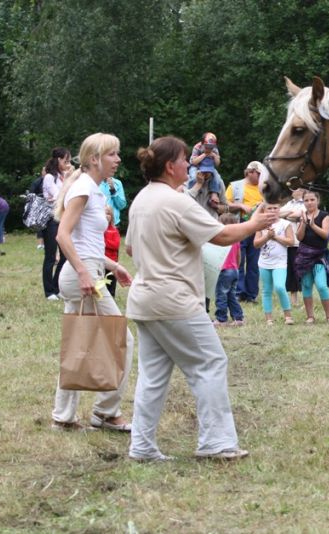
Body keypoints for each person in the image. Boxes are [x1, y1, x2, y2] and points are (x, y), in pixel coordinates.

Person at [126, 136, 277, 462]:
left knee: (152, 376)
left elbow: (129, 248)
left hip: (143, 299)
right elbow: (221, 235)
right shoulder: (175, 201)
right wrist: (255, 224)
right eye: (185, 160)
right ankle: (217, 443)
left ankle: (141, 447)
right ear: (170, 167)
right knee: (210, 363)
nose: (191, 165)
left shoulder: (141, 199)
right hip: (174, 300)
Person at [51, 133, 134, 432]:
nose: (118, 159)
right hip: (81, 277)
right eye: (113, 154)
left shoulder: (95, 189)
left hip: (87, 272)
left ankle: (63, 417)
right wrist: (85, 272)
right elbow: (63, 234)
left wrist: (113, 265)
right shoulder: (85, 188)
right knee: (122, 341)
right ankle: (106, 413)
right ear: (95, 158)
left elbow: (87, 243)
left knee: (78, 344)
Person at [226, 161, 265, 302]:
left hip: (257, 227)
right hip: (240, 224)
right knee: (239, 260)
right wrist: (241, 206)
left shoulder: (263, 188)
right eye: (259, 174)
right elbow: (225, 204)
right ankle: (238, 292)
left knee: (254, 263)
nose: (261, 177)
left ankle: (251, 294)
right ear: (250, 172)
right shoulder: (235, 186)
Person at [295, 190, 329, 324]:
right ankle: (310, 316)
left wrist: (313, 225)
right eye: (306, 200)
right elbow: (299, 237)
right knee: (306, 285)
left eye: (312, 200)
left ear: (317, 201)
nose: (309, 202)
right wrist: (304, 224)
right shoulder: (302, 216)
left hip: (319, 256)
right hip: (304, 256)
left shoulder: (324, 215)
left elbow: (325, 234)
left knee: (322, 286)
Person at [254, 203, 295, 325]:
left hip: (280, 263)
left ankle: (288, 316)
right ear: (264, 210)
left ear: (279, 209)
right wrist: (267, 236)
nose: (272, 210)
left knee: (280, 287)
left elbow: (291, 242)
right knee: (266, 290)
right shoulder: (260, 225)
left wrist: (275, 237)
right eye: (269, 208)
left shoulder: (285, 224)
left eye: (275, 208)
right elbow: (256, 244)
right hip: (264, 263)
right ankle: (269, 318)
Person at [42, 148, 72, 300]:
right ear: (58, 160)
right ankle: (49, 291)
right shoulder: (49, 177)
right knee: (50, 256)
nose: (68, 164)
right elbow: (58, 196)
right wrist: (67, 180)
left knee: (66, 255)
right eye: (66, 161)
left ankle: (56, 286)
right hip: (51, 218)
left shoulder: (63, 177)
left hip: (63, 218)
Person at [213, 213, 245, 327]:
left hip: (224, 270)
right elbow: (239, 255)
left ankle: (221, 319)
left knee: (221, 294)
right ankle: (238, 318)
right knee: (231, 295)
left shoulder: (221, 239)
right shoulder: (236, 239)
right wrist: (237, 266)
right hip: (234, 270)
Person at [280, 188, 306, 307]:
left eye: (295, 189)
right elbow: (277, 214)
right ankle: (293, 300)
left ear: (302, 190)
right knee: (291, 271)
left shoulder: (306, 202)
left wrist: (286, 216)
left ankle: (305, 297)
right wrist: (290, 215)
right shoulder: (289, 203)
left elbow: (302, 214)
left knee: (301, 271)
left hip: (300, 242)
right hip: (288, 243)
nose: (292, 190)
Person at [188, 132, 222, 208]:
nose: (209, 149)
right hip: (196, 165)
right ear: (202, 143)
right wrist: (204, 154)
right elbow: (194, 161)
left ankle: (214, 193)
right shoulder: (197, 147)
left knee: (216, 177)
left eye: (211, 147)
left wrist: (214, 156)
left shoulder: (214, 149)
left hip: (209, 166)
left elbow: (217, 164)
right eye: (207, 147)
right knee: (194, 177)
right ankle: (191, 192)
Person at [103, 205, 121, 297]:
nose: (106, 216)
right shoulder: (98, 230)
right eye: (104, 214)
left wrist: (104, 242)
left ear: (112, 216)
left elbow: (115, 245)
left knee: (111, 282)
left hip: (112, 262)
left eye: (108, 214)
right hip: (101, 262)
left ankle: (111, 297)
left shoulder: (114, 231)